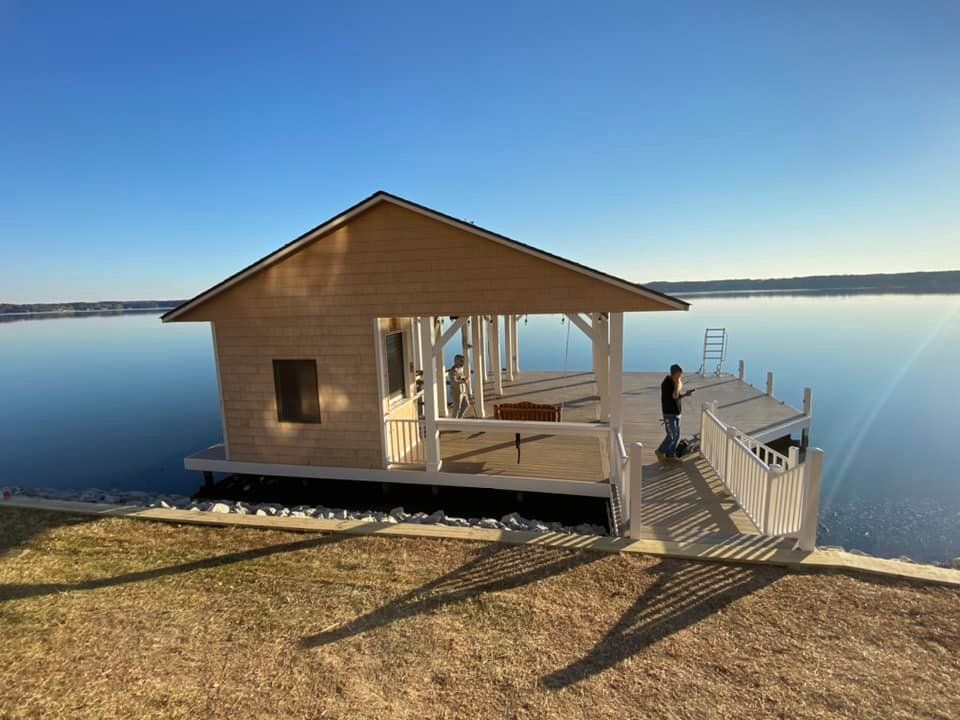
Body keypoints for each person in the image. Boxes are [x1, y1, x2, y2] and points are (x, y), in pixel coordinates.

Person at [656, 364, 695, 462]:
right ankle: (660, 451)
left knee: (677, 435)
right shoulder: (667, 383)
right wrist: (677, 384)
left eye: (680, 375)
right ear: (673, 374)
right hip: (669, 414)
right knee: (671, 435)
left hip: (677, 413)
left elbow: (677, 397)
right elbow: (674, 396)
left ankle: (670, 454)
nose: (680, 377)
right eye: (678, 375)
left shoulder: (675, 382)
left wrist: (685, 394)